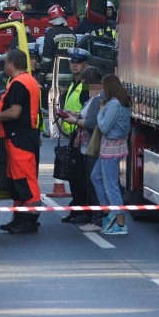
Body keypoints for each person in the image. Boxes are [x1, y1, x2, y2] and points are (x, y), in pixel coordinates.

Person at [0, 49, 42, 234]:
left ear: (11, 64)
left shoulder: (19, 83)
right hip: (20, 137)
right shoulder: (26, 81)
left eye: (5, 63)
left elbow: (14, 112)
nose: (4, 67)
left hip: (19, 137)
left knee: (24, 178)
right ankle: (20, 218)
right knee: (16, 179)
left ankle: (28, 219)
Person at [61, 67, 103, 226]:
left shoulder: (97, 98)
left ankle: (96, 217)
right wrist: (75, 114)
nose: (83, 88)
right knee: (86, 180)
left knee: (92, 182)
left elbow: (92, 122)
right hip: (84, 145)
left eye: (85, 84)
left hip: (91, 147)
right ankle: (91, 214)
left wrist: (75, 121)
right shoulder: (92, 98)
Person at [90, 74, 131, 235]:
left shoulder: (113, 105)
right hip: (116, 146)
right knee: (96, 176)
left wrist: (100, 112)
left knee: (111, 186)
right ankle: (108, 211)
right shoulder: (123, 102)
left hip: (110, 148)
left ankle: (120, 223)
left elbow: (104, 127)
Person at [40, 4, 75, 70]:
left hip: (53, 73)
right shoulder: (72, 33)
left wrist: (42, 72)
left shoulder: (50, 33)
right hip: (70, 71)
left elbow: (47, 57)